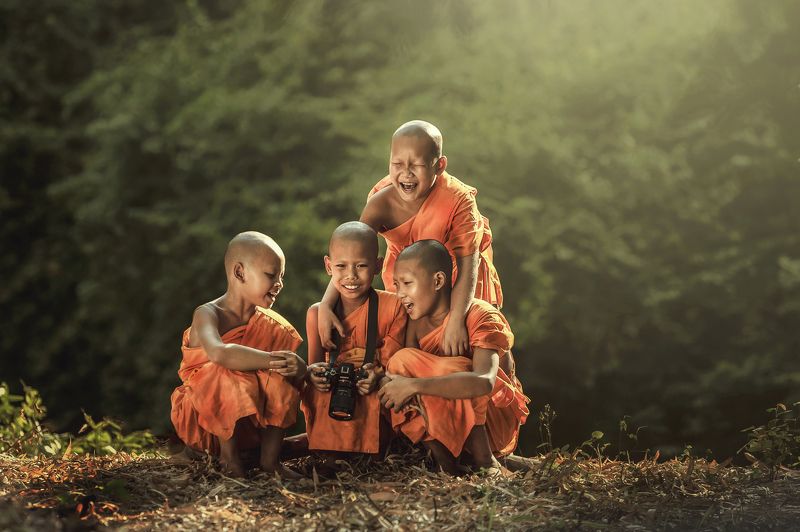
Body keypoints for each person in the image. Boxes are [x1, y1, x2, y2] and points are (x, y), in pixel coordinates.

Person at [316, 120, 502, 358]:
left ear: (439, 165)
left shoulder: (458, 200)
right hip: (403, 276)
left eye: (417, 165)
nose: (406, 173)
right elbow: (353, 254)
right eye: (397, 164)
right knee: (403, 344)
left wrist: (456, 319)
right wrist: (325, 304)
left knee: (461, 348)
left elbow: (469, 266)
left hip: (454, 281)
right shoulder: (380, 202)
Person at [377, 240, 528, 474]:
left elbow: (484, 381)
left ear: (438, 280)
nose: (400, 294)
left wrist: (413, 385)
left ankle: (486, 462)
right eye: (397, 285)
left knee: (456, 368)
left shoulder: (481, 314)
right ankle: (445, 463)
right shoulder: (415, 322)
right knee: (400, 362)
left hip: (490, 420)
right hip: (445, 419)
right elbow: (402, 376)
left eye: (407, 283)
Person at [170, 231, 307, 478]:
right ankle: (229, 460)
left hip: (250, 426)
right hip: (203, 422)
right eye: (270, 275)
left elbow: (290, 385)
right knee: (221, 371)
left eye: (281, 277)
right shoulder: (208, 313)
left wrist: (297, 369)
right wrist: (275, 360)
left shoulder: (272, 325)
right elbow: (220, 353)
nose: (279, 283)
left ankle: (270, 462)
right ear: (240, 272)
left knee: (278, 379)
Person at [302, 222, 408, 455]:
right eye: (341, 266)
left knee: (383, 388)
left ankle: (372, 452)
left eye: (361, 266)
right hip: (335, 391)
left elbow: (396, 363)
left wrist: (377, 374)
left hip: (371, 387)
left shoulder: (393, 307)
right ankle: (327, 456)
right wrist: (315, 376)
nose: (351, 276)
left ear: (378, 266)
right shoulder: (315, 314)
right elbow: (314, 367)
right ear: (328, 266)